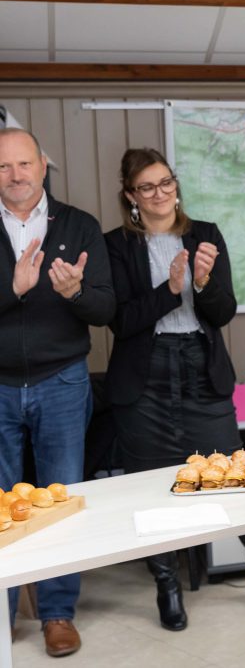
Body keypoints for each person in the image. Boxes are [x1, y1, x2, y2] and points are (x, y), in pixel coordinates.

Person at [104, 147, 245, 632]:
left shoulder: (205, 234)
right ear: (131, 196)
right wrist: (169, 290)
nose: (160, 194)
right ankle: (166, 583)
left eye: (166, 182)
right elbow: (120, 321)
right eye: (147, 187)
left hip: (201, 369)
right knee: (151, 487)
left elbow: (223, 312)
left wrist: (203, 282)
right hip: (144, 378)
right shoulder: (116, 245)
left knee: (234, 476)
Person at [0, 127, 115, 657]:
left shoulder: (78, 225)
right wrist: (13, 289)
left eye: (24, 164)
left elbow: (105, 309)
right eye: (3, 167)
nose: (15, 175)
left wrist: (76, 294)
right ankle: (2, 617)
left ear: (43, 166)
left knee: (60, 498)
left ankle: (57, 613)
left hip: (63, 381)